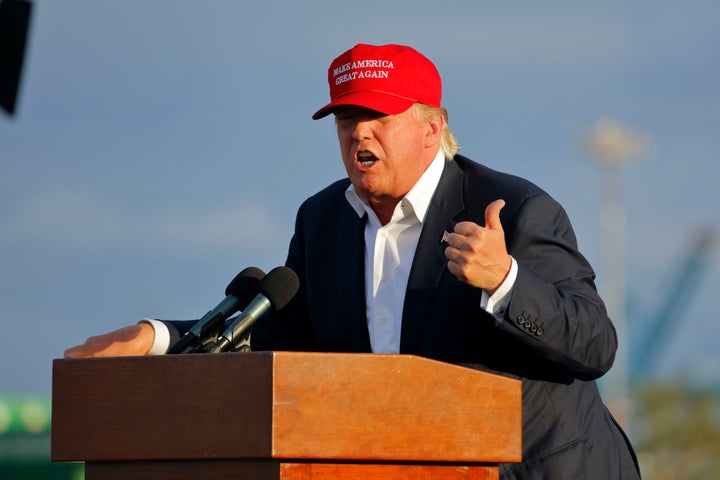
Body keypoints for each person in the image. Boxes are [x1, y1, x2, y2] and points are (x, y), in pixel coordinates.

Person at [65, 43, 641, 479]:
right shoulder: (322, 222)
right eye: (346, 119)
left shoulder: (515, 210)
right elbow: (277, 342)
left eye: (378, 116)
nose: (359, 132)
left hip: (540, 471)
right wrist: (161, 337)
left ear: (432, 128)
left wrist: (507, 282)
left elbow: (595, 346)